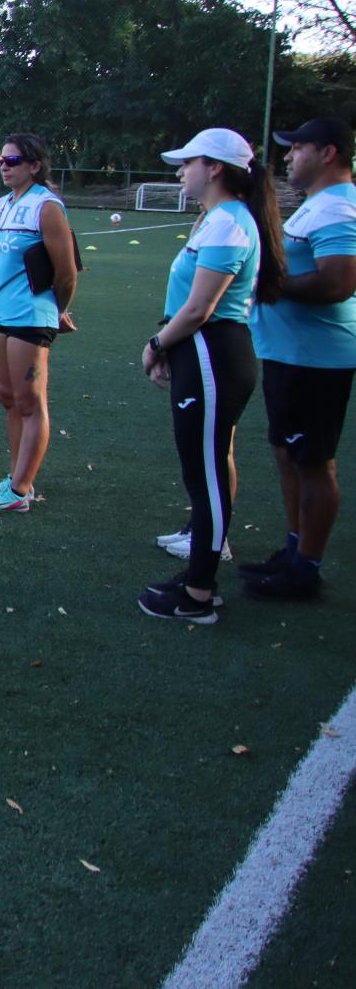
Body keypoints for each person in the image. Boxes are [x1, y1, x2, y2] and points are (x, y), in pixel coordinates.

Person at [137, 128, 282, 623]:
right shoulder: (219, 220)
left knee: (207, 476)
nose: (180, 172)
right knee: (204, 470)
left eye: (188, 162)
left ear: (215, 167)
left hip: (212, 354)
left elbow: (200, 308)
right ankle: (198, 576)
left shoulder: (229, 223)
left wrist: (156, 345)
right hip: (203, 353)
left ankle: (199, 594)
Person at [244, 118, 356, 601]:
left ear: (327, 153)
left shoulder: (340, 208)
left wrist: (270, 285)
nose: (288, 157)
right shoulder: (318, 206)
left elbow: (338, 283)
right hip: (291, 355)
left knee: (314, 462)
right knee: (289, 454)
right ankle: (294, 550)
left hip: (317, 360)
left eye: (297, 148)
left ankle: (306, 567)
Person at [0, 133, 77, 512]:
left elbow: (66, 273)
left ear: (34, 166)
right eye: (1, 160)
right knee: (8, 397)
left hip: (32, 315)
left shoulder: (47, 207)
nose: (4, 166)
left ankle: (20, 490)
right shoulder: (2, 204)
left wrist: (58, 310)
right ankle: (16, 475)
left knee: (30, 401)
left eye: (12, 161)